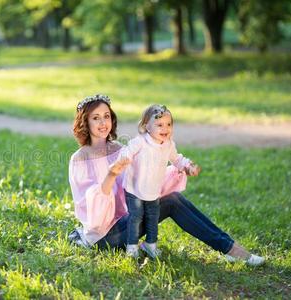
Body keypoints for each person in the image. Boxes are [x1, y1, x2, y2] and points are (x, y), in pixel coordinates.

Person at [68, 94, 265, 266]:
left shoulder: (119, 148)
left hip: (129, 224)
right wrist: (111, 174)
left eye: (106, 116)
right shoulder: (80, 158)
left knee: (172, 198)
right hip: (104, 237)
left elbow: (142, 182)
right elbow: (92, 214)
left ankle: (230, 248)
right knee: (172, 201)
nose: (103, 123)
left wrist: (180, 168)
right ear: (85, 122)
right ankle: (231, 250)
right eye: (96, 118)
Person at [118, 104, 200, 258]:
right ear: (146, 127)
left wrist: (187, 167)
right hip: (134, 189)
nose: (165, 128)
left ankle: (150, 244)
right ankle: (132, 246)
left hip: (153, 190)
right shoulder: (140, 142)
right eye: (159, 125)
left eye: (169, 124)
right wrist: (125, 158)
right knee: (136, 217)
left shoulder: (168, 145)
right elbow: (127, 151)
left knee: (152, 217)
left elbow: (176, 159)